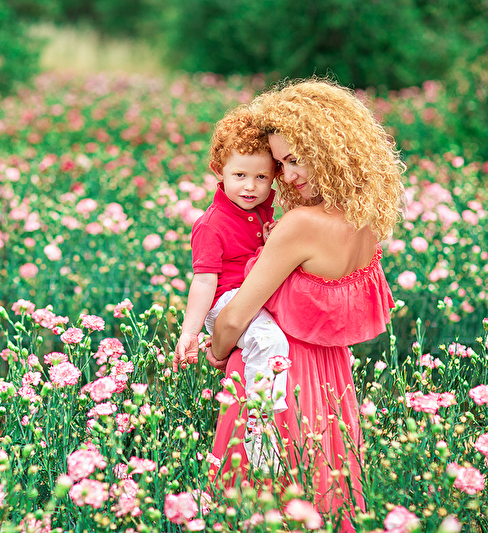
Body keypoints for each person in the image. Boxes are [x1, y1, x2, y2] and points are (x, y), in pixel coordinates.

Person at [207, 79, 403, 529]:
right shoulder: (366, 216)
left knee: (264, 501)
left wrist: (216, 353)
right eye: (281, 164)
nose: (288, 176)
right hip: (334, 381)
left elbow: (236, 316)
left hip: (278, 376)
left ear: (329, 146)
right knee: (323, 494)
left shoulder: (301, 224)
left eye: (295, 159)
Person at [173, 105, 289, 472]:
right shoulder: (212, 224)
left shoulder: (263, 209)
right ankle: (259, 431)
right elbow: (204, 280)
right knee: (273, 344)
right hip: (225, 299)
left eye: (261, 176)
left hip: (255, 295)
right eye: (239, 175)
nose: (251, 186)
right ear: (218, 171)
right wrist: (190, 331)